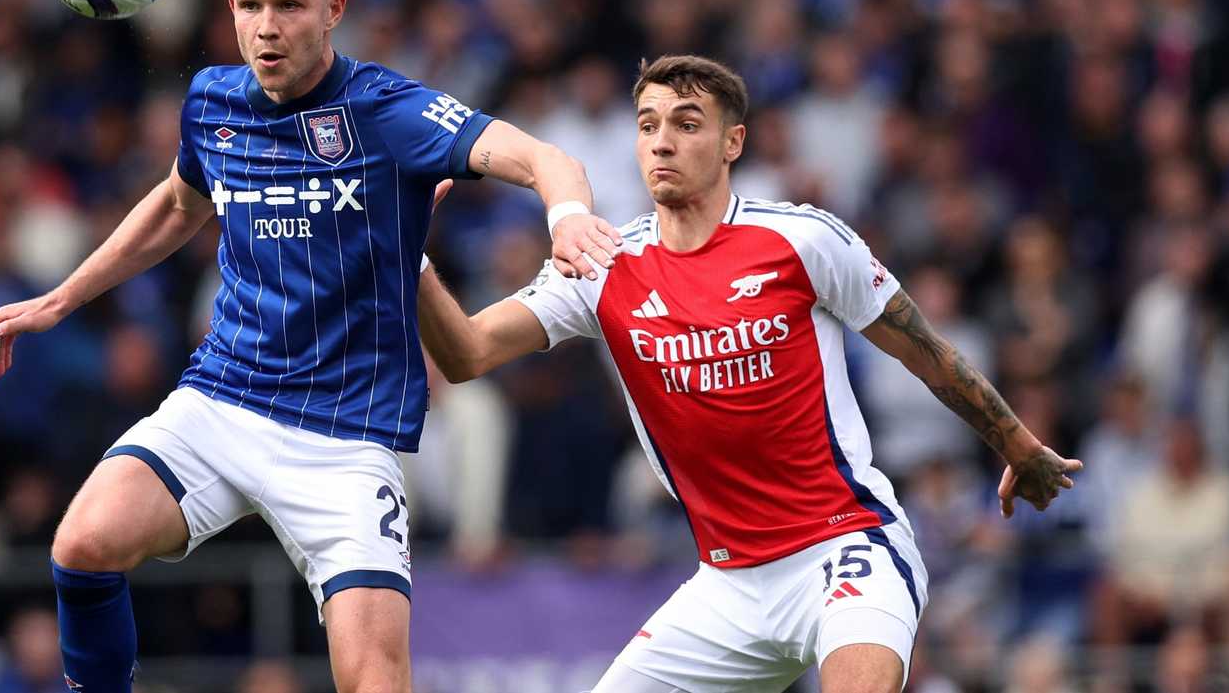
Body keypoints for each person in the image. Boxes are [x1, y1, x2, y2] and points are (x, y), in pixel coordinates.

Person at [0, 0, 620, 693]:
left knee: (374, 679)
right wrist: (61, 298)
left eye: (288, 4)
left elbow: (543, 156)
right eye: (248, 6)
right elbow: (180, 205)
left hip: (344, 437)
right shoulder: (213, 102)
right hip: (224, 398)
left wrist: (568, 215)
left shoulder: (387, 111)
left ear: (334, 10)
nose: (265, 28)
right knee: (82, 543)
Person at [415, 55, 1081, 693]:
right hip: (729, 583)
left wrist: (1018, 444)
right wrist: (408, 257)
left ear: (733, 141)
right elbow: (466, 353)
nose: (662, 143)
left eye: (686, 123)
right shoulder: (601, 266)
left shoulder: (803, 241)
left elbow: (927, 353)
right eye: (647, 125)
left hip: (847, 547)